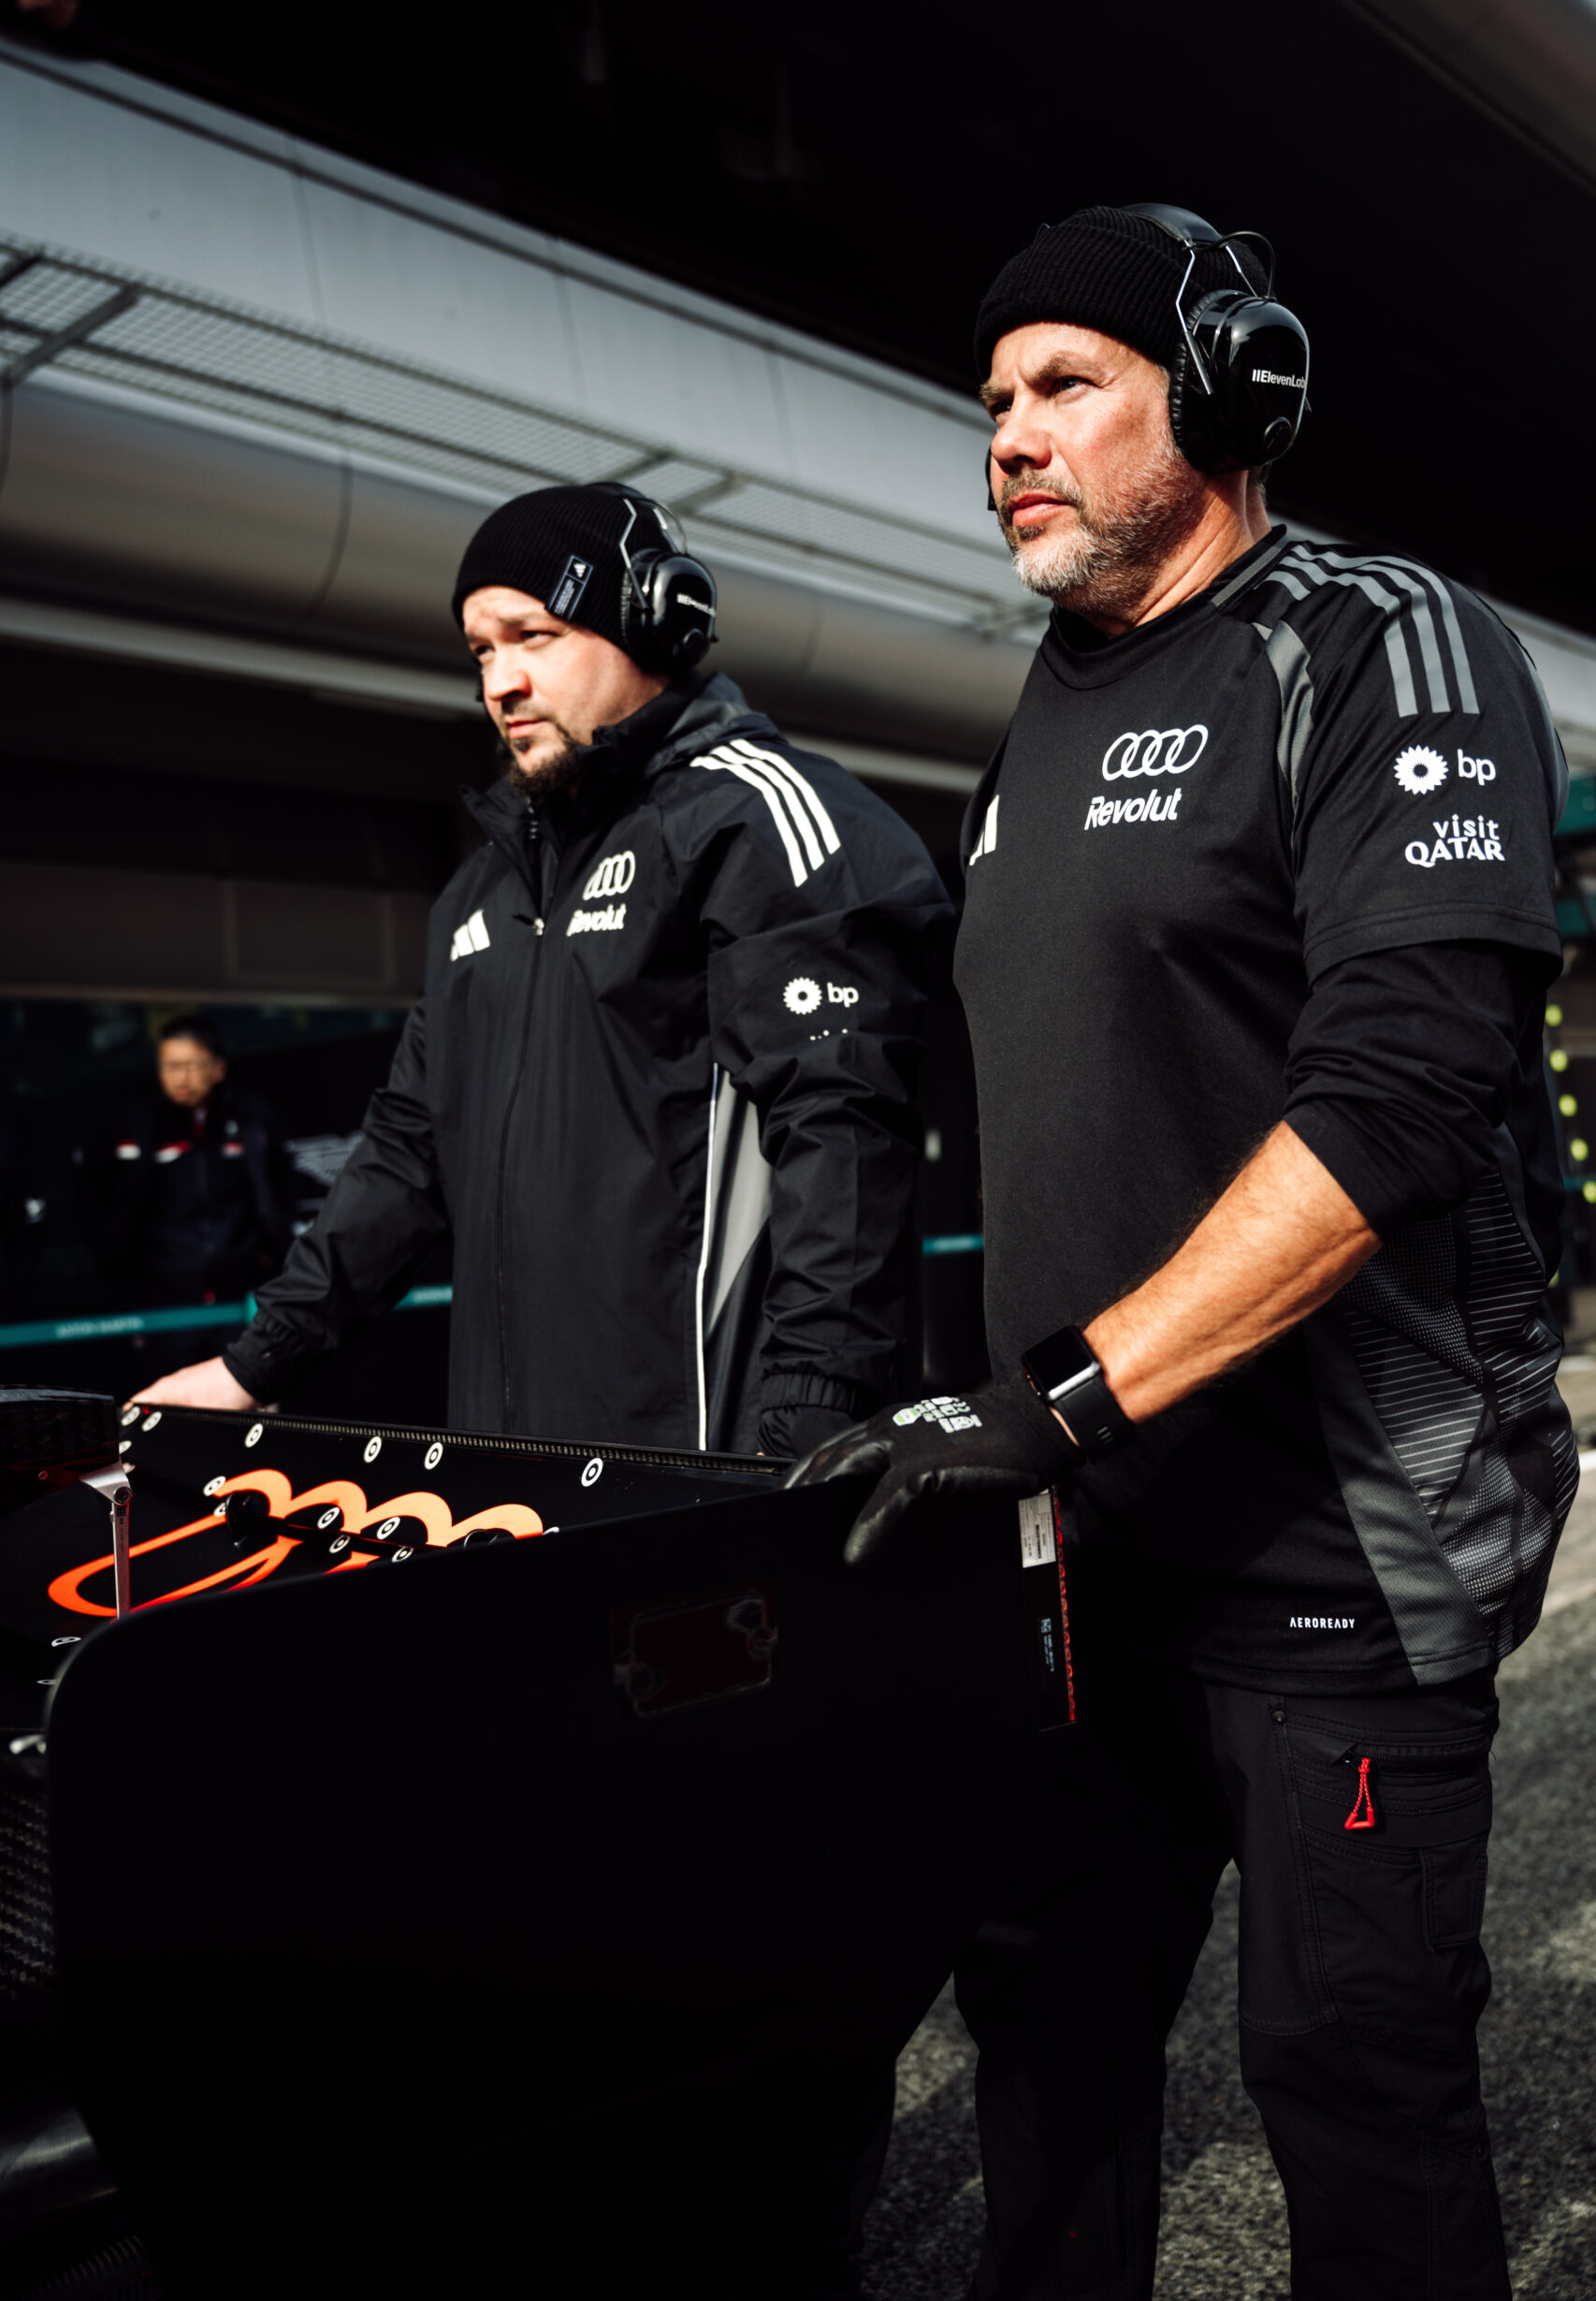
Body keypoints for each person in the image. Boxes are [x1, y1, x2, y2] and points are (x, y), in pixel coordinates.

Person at [791, 205, 1574, 2298]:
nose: (1007, 438)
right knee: (1046, 2040)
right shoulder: (1038, 717)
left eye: (1066, 384)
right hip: (1088, 1554)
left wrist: (1061, 1394)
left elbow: (1401, 1097)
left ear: (1227, 392)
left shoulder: (1379, 640)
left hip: (1341, 1544)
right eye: (990, 403)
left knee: (1351, 2080)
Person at [135, 483, 946, 1461]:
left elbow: (844, 1137)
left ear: (655, 625)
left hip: (703, 1470)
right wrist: (256, 1363)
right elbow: (406, 1150)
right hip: (514, 1472)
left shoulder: (758, 823)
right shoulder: (481, 893)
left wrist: (808, 1432)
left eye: (534, 636)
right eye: (482, 651)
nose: (501, 682)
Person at [101, 1013, 295, 1375]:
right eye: (170, 1066)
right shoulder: (138, 1125)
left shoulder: (251, 1119)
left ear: (218, 1068)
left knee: (252, 1392)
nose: (181, 1077)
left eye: (191, 1065)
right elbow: (105, 1204)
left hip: (243, 1300)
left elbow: (280, 1191)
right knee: (170, 1399)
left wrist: (271, 1254)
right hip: (167, 1303)